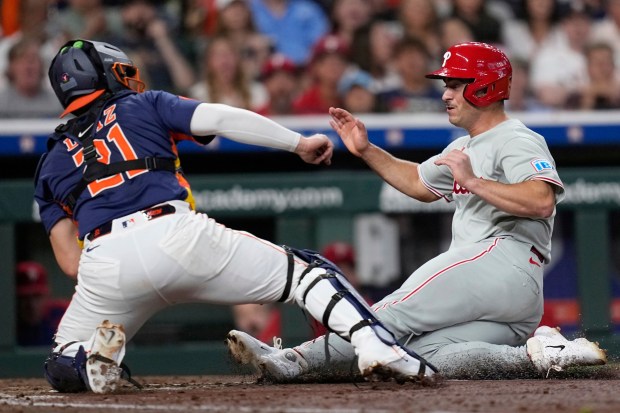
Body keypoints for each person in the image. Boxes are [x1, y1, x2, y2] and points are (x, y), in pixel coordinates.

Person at [37, 38, 436, 394]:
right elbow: (224, 119)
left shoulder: (50, 161)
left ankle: (88, 366)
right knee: (308, 273)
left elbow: (70, 264)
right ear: (105, 75)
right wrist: (298, 143)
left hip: (105, 263)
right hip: (173, 233)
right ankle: (377, 348)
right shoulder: (143, 103)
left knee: (60, 359)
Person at [226, 42, 607, 382]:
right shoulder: (466, 145)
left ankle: (295, 359)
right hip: (512, 292)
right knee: (420, 355)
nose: (445, 94)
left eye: (455, 84)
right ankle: (539, 354)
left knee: (391, 314)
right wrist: (367, 151)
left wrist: (474, 182)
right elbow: (418, 184)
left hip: (502, 258)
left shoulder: (516, 138)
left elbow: (541, 199)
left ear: (485, 87)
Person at [0, 37, 64, 118]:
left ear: (42, 67)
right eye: (21, 60)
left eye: (33, 60)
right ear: (11, 67)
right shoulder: (1, 104)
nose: (28, 67)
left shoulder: (59, 105)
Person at [15, 261, 69, 347]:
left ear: (47, 295)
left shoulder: (65, 315)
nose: (31, 305)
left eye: (37, 297)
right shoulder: (7, 326)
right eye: (24, 298)